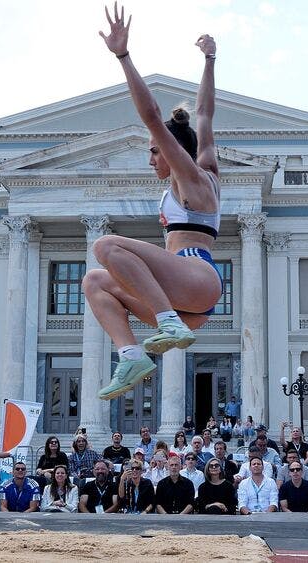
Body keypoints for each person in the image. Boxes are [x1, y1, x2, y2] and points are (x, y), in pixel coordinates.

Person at [89, 5, 223, 400]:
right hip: (187, 302)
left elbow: (150, 116)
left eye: (154, 152)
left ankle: (168, 322)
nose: (151, 159)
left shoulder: (192, 178)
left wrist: (123, 57)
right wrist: (210, 60)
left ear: (172, 151)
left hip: (196, 278)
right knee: (93, 280)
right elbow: (203, 113)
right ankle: (131, 355)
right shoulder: (208, 167)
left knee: (105, 246)